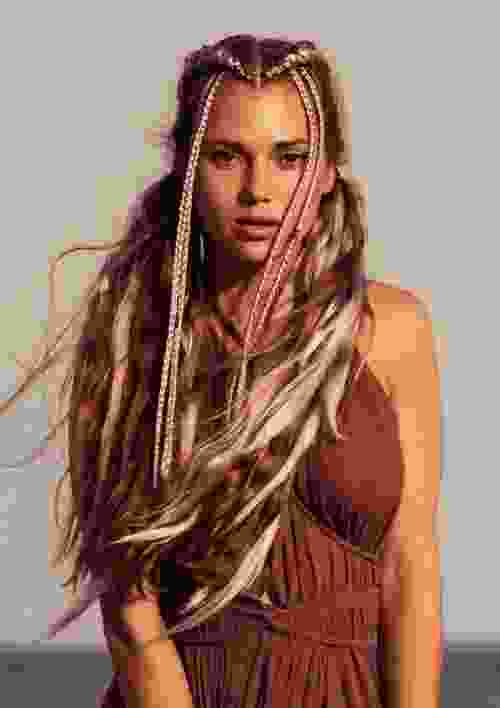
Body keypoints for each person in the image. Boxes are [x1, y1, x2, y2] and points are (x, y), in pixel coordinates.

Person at [1, 34, 443, 707]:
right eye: (227, 156)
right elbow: (131, 610)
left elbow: (411, 571)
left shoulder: (392, 330)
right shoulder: (135, 337)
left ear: (328, 171)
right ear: (186, 166)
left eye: (289, 158)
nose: (258, 190)